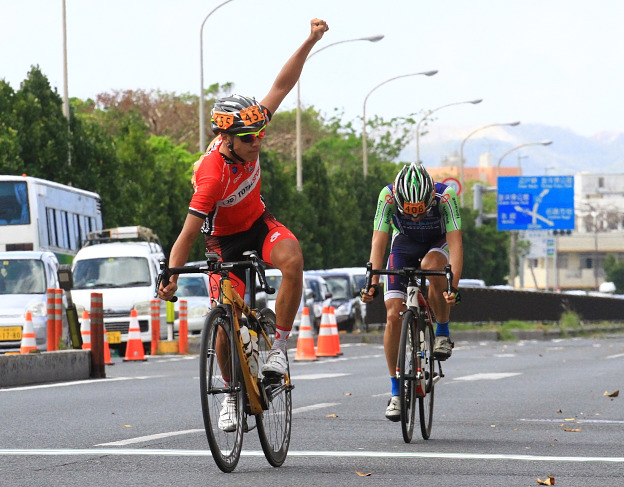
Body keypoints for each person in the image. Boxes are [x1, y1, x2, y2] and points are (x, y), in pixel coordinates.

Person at [158, 19, 328, 430]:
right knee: (222, 329)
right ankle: (230, 395)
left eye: (260, 135)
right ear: (227, 137)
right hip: (221, 244)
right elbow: (187, 231)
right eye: (249, 139)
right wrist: (171, 274)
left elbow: (282, 85)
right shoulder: (212, 175)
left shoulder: (248, 127)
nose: (258, 143)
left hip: (258, 223)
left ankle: (277, 351)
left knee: (292, 257)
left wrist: (309, 40)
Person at [360, 162, 462, 422]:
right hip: (404, 244)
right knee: (393, 314)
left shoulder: (446, 197)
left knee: (432, 267)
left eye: (421, 211)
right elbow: (378, 242)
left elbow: (456, 245)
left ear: (430, 199)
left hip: (436, 244)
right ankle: (396, 391)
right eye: (410, 212)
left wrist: (453, 287)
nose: (416, 217)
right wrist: (372, 282)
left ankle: (441, 332)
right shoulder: (388, 196)